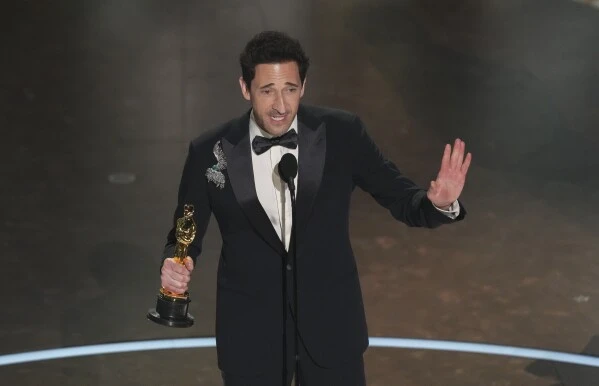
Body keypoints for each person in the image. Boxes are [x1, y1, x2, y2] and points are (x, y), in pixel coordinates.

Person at [158, 30, 471, 386]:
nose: (280, 105)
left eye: (290, 89)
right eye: (267, 90)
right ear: (245, 88)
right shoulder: (208, 151)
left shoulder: (342, 133)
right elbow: (185, 231)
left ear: (303, 86)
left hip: (331, 329)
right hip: (250, 335)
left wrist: (438, 204)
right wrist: (175, 262)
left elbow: (401, 198)